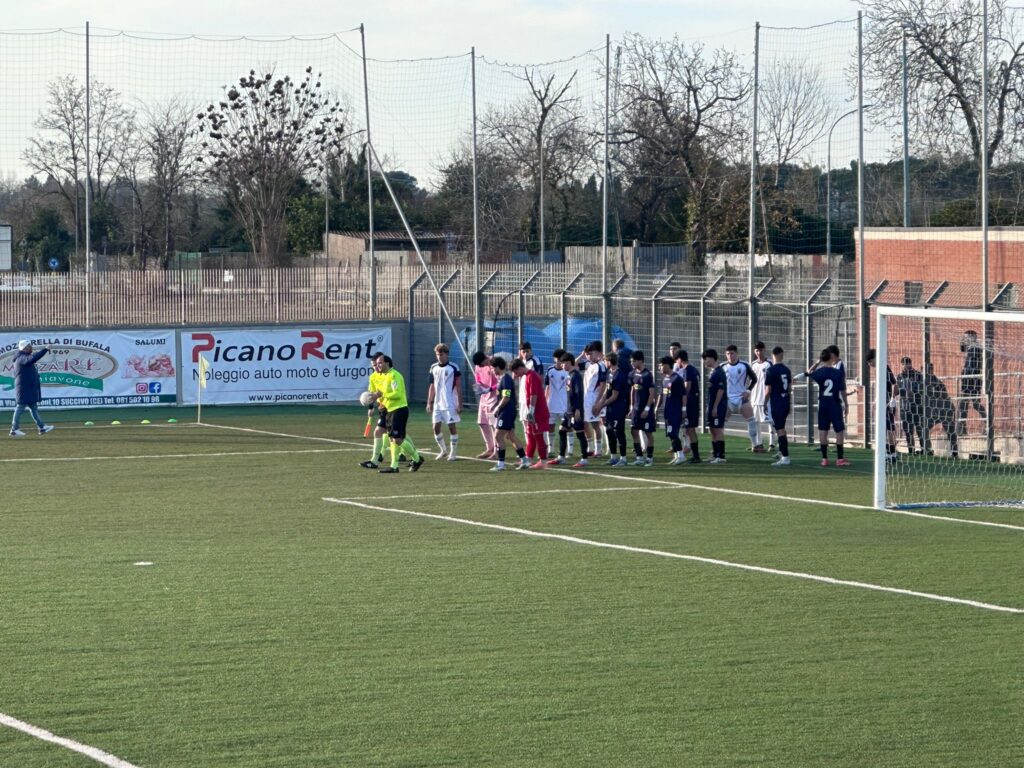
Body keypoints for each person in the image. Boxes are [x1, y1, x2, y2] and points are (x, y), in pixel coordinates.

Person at [365, 355, 423, 473]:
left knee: (397, 439)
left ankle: (417, 459)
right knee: (393, 439)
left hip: (399, 409)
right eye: (377, 363)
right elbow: (381, 394)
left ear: (387, 363)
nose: (377, 365)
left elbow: (397, 394)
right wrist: (380, 401)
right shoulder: (384, 376)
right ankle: (394, 466)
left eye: (380, 363)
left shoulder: (394, 375)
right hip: (390, 410)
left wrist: (382, 395)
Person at [807, 349, 850, 467]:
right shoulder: (838, 373)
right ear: (831, 358)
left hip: (823, 405)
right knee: (839, 431)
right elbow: (843, 390)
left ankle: (824, 459)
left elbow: (809, 372)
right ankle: (839, 458)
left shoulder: (819, 372)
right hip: (834, 404)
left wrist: (817, 362)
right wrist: (846, 404)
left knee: (823, 431)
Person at [489, 356, 528, 471]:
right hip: (507, 411)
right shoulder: (503, 379)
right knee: (511, 436)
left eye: (492, 368)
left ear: (497, 367)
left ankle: (501, 464)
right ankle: (525, 460)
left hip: (506, 412)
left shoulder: (506, 379)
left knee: (498, 436)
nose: (492, 370)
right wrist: (496, 406)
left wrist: (497, 408)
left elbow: (506, 397)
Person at [9, 340, 55, 438]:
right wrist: (45, 349)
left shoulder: (22, 356)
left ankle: (42, 427)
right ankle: (14, 429)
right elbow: (32, 359)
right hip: (23, 388)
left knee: (33, 407)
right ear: (24, 348)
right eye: (29, 346)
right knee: (20, 406)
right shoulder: (21, 357)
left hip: (28, 387)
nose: (31, 348)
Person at [549, 353, 587, 466]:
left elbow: (579, 393)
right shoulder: (569, 375)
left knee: (580, 433)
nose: (562, 365)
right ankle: (561, 457)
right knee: (562, 430)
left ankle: (584, 459)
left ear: (570, 362)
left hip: (576, 410)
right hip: (569, 410)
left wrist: (578, 409)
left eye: (563, 363)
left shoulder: (576, 376)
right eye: (561, 363)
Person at [426, 343, 462, 461]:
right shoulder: (433, 367)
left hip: (449, 403)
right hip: (437, 403)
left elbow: (458, 386)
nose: (439, 357)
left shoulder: (454, 367)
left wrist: (459, 403)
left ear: (447, 354)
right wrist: (429, 402)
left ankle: (453, 452)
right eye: (437, 354)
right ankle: (443, 450)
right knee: (435, 427)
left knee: (451, 427)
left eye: (441, 354)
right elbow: (432, 386)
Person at [722, 344, 760, 451]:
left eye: (732, 353)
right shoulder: (722, 366)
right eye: (728, 354)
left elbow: (754, 379)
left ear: (737, 354)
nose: (730, 356)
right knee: (721, 423)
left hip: (741, 399)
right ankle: (719, 447)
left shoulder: (744, 365)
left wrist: (748, 391)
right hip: (728, 399)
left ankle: (755, 445)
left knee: (751, 420)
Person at [512, 358, 549, 469]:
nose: (516, 375)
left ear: (520, 368)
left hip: (538, 412)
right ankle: (528, 459)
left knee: (538, 435)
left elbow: (534, 394)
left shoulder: (532, 376)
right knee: (530, 435)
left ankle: (543, 461)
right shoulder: (527, 376)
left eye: (516, 372)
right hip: (533, 411)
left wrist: (531, 410)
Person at [866, 348, 900, 462]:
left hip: (887, 403)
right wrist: (876, 399)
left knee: (889, 427)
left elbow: (894, 384)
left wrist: (892, 399)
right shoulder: (880, 369)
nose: (869, 364)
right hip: (883, 402)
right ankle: (891, 453)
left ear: (875, 359)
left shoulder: (884, 368)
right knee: (886, 428)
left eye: (870, 361)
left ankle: (891, 454)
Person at [599, 351, 631, 467]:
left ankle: (623, 458)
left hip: (618, 408)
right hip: (610, 408)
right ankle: (613, 457)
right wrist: (600, 402)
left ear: (610, 361)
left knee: (619, 432)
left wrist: (601, 405)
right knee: (609, 431)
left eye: (605, 360)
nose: (604, 362)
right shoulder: (609, 373)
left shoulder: (619, 375)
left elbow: (614, 396)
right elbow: (607, 391)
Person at [763, 346, 792, 466]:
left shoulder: (771, 370)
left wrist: (764, 403)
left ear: (772, 355)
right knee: (782, 428)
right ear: (782, 354)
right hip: (785, 401)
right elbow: (789, 389)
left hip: (777, 402)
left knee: (780, 430)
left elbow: (768, 390)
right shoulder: (787, 370)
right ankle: (781, 452)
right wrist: (789, 404)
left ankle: (785, 457)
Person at [924, 362, 958, 458]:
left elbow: (943, 396)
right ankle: (928, 450)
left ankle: (954, 453)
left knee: (950, 431)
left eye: (929, 369)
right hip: (933, 411)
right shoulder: (924, 382)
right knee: (924, 428)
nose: (927, 372)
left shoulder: (936, 383)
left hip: (943, 410)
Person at [628, 350, 657, 466]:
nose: (632, 363)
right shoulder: (632, 374)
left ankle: (649, 458)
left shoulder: (647, 375)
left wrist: (647, 409)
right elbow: (632, 389)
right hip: (636, 409)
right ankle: (639, 457)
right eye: (631, 361)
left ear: (640, 361)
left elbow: (652, 394)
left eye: (633, 361)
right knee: (633, 431)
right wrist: (631, 406)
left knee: (648, 433)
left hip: (645, 410)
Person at [658, 356, 687, 465]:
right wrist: (656, 407)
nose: (660, 367)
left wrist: (683, 410)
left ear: (667, 365)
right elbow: (661, 394)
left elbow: (683, 395)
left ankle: (681, 456)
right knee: (670, 434)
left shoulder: (677, 379)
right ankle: (676, 456)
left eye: (661, 365)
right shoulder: (665, 379)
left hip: (675, 411)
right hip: (667, 411)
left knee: (673, 434)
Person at [582, 342, 608, 462]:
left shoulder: (601, 366)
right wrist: (582, 355)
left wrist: (598, 403)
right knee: (585, 423)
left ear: (598, 353)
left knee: (595, 424)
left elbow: (603, 385)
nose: (589, 356)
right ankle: (590, 448)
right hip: (585, 398)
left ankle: (598, 450)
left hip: (594, 399)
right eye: (587, 354)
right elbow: (574, 364)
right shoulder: (588, 364)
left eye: (591, 353)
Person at [675, 349, 702, 464]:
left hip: (690, 404)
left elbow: (687, 388)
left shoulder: (688, 370)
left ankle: (696, 456)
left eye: (676, 360)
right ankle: (695, 455)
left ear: (680, 359)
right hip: (693, 402)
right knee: (689, 429)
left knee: (690, 429)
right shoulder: (694, 369)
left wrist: (681, 400)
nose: (676, 363)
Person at [958, 329, 987, 432]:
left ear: (972, 338)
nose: (964, 340)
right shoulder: (973, 347)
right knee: (965, 404)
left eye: (966, 338)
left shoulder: (975, 348)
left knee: (972, 403)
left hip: (972, 380)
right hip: (971, 379)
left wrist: (964, 375)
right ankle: (963, 428)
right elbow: (962, 349)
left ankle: (987, 424)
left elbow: (971, 366)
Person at [896, 356, 926, 455]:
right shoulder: (899, 376)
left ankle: (924, 450)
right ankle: (911, 450)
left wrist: (914, 392)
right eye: (904, 364)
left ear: (910, 364)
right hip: (905, 407)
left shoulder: (917, 375)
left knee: (920, 428)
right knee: (908, 431)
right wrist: (903, 392)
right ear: (902, 365)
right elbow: (897, 390)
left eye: (907, 364)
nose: (906, 366)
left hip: (917, 406)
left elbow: (922, 388)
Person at [472, 351, 498, 459]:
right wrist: (479, 386)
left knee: (493, 425)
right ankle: (489, 448)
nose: (481, 366)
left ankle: (496, 451)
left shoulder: (494, 363)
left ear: (485, 358)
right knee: (482, 423)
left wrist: (490, 389)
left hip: (494, 397)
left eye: (481, 363)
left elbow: (500, 382)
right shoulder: (478, 366)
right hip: (484, 398)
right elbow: (478, 378)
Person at [702, 349, 727, 463]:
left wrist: (716, 406)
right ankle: (715, 453)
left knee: (717, 429)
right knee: (712, 429)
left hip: (718, 405)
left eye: (705, 358)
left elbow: (721, 390)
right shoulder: (713, 372)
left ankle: (721, 456)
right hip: (711, 404)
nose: (704, 361)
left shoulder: (719, 372)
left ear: (712, 358)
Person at [750, 341, 775, 452]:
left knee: (770, 421)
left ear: (764, 350)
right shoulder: (753, 364)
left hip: (766, 398)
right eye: (757, 350)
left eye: (760, 350)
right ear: (754, 351)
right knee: (755, 421)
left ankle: (772, 443)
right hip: (754, 398)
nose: (759, 352)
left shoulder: (769, 364)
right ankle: (758, 443)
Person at [545, 349, 569, 455]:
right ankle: (551, 449)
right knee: (550, 426)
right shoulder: (550, 370)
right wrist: (545, 401)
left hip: (564, 404)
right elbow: (547, 386)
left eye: (561, 359)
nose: (559, 361)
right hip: (551, 404)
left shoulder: (566, 371)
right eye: (557, 359)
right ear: (554, 359)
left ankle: (569, 450)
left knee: (567, 427)